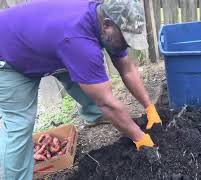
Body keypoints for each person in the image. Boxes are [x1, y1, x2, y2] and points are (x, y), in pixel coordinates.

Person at [0, 0, 162, 179]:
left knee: (87, 78)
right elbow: (107, 103)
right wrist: (140, 138)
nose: (127, 45)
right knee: (19, 123)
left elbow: (128, 69)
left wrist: (149, 107)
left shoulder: (105, 20)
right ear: (107, 24)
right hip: (8, 56)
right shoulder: (79, 41)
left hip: (47, 40)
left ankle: (93, 116)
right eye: (125, 39)